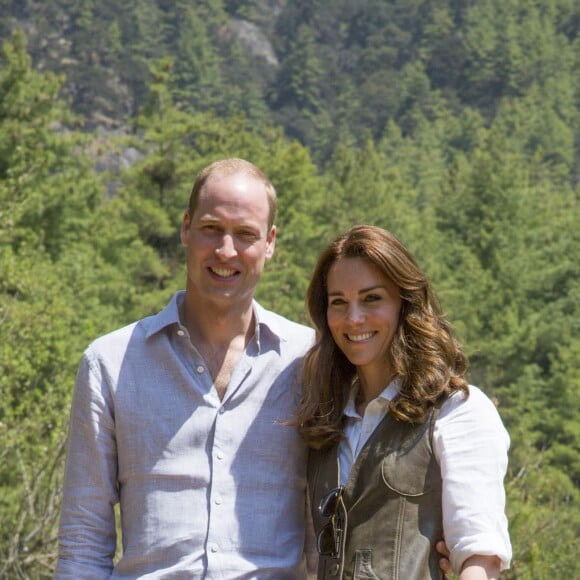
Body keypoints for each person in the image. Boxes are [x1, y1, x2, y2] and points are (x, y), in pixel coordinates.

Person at [55, 158, 317, 578]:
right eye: (212, 229)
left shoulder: (311, 361)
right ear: (186, 228)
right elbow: (84, 543)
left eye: (245, 234)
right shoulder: (111, 363)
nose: (226, 251)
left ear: (270, 243)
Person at [296, 225, 512, 579]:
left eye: (371, 299)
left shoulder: (457, 411)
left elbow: (480, 555)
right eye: (339, 302)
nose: (353, 319)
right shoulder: (325, 421)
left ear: (404, 303)